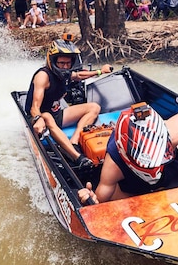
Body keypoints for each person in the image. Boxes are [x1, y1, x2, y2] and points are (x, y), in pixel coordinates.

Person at [25, 35, 114, 170]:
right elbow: (34, 107)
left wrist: (100, 71)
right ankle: (77, 157)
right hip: (38, 119)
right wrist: (37, 119)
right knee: (47, 116)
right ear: (53, 61)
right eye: (62, 63)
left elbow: (78, 76)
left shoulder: (64, 72)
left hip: (55, 114)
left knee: (94, 107)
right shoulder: (43, 76)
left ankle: (73, 141)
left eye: (68, 63)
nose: (65, 67)